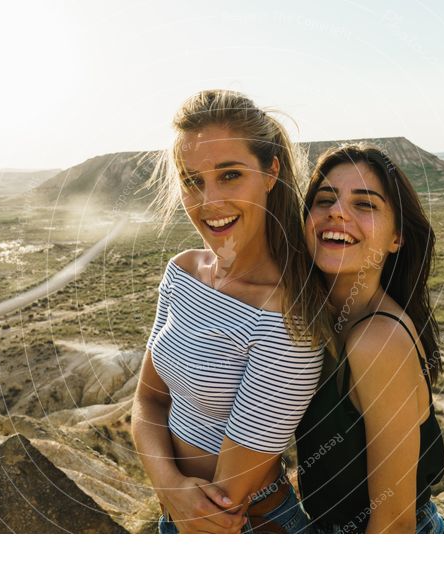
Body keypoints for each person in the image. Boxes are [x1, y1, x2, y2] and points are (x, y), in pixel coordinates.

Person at [131, 89, 334, 534]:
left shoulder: (286, 318)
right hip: (180, 511)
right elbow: (148, 401)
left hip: (247, 526)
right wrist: (169, 485)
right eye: (192, 180)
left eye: (229, 175)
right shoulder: (182, 272)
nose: (209, 201)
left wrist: (177, 498)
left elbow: (227, 497)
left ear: (270, 172)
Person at [294, 143, 444, 534]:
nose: (336, 211)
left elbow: (394, 525)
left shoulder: (376, 341)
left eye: (364, 204)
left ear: (397, 237)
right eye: (325, 199)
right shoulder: (315, 317)